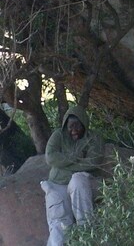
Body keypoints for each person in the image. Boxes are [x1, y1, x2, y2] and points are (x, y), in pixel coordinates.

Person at [41, 104, 104, 246]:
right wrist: (75, 156)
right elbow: (50, 158)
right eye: (70, 126)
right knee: (58, 226)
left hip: (82, 183)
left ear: (85, 125)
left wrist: (62, 166)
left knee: (78, 179)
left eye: (78, 126)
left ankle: (86, 236)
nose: (74, 130)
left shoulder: (94, 138)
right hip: (57, 185)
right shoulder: (58, 135)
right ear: (65, 126)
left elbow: (93, 162)